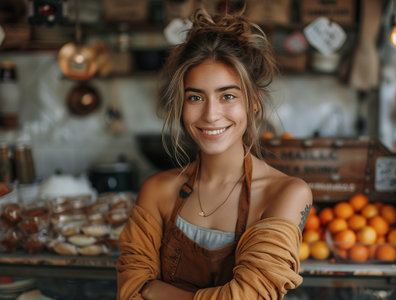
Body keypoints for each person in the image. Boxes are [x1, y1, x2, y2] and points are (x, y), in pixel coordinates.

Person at [116, 9, 313, 300]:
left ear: (253, 103)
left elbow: (250, 297)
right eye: (195, 97)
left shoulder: (286, 193)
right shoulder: (157, 191)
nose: (210, 114)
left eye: (227, 96)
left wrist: (154, 290)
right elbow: (129, 289)